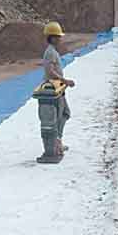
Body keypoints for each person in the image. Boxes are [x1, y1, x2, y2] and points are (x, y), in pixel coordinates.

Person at [41, 21, 75, 157]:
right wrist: (64, 80)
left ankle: (58, 141)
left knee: (64, 113)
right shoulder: (50, 52)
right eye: (59, 36)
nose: (60, 39)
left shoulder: (53, 51)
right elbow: (49, 71)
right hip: (52, 90)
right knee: (56, 117)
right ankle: (55, 143)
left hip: (57, 88)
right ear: (53, 37)